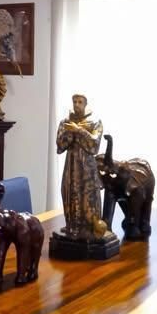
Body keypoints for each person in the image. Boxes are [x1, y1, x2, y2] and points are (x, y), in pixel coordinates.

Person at [57, 94, 107, 240]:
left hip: (87, 167)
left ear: (85, 104)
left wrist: (79, 130)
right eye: (74, 102)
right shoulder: (65, 123)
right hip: (71, 165)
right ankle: (72, 226)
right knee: (69, 191)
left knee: (88, 194)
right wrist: (70, 131)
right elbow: (60, 145)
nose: (77, 104)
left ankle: (90, 227)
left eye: (80, 102)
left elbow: (94, 145)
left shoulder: (94, 122)